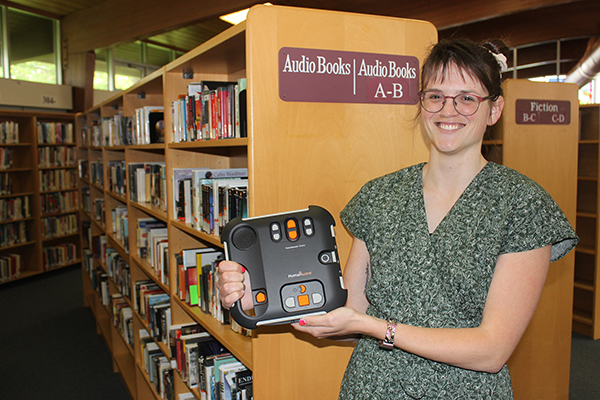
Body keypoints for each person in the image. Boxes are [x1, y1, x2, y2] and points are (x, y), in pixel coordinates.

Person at [216, 38, 579, 399]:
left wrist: (377, 328)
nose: (447, 110)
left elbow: (491, 350)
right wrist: (257, 300)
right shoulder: (380, 196)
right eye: (435, 96)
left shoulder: (522, 204)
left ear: (494, 109)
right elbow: (347, 314)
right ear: (421, 104)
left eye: (467, 98)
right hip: (370, 388)